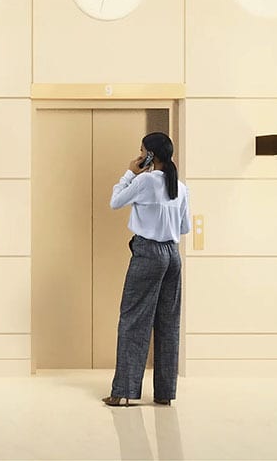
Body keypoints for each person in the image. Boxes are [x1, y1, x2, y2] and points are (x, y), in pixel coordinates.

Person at [103, 132, 190, 407]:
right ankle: (165, 393)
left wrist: (129, 172)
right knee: (168, 323)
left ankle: (124, 392)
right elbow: (184, 228)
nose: (139, 155)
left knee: (133, 322)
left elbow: (115, 201)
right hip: (173, 256)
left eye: (141, 150)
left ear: (150, 155)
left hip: (148, 253)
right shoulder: (181, 187)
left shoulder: (144, 181)